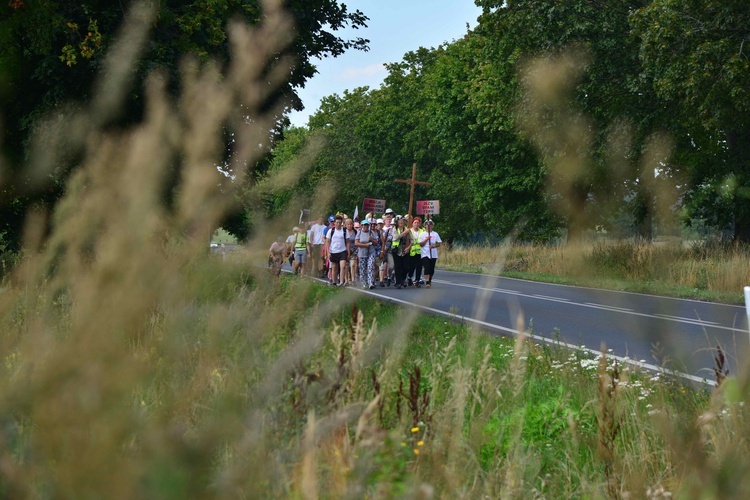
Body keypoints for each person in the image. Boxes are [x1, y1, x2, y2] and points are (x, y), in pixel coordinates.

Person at [324, 215, 349, 286]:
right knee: (334, 267)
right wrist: (328, 252)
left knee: (343, 266)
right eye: (337, 222)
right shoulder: (331, 231)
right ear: (334, 223)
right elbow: (327, 242)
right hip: (333, 251)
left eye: (340, 222)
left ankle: (341, 282)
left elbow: (347, 242)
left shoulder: (344, 231)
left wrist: (348, 253)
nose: (338, 224)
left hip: (342, 251)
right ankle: (334, 282)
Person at [354, 219, 377, 289]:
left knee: (370, 267)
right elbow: (356, 243)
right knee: (362, 268)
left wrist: (372, 240)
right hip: (362, 253)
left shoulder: (371, 233)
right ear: (362, 226)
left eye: (366, 225)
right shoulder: (359, 232)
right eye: (364, 225)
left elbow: (376, 243)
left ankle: (370, 282)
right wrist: (364, 245)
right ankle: (364, 283)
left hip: (371, 252)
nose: (365, 227)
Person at [419, 219, 442, 288]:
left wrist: (433, 246)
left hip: (433, 254)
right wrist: (426, 239)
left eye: (430, 225)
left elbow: (439, 243)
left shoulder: (435, 234)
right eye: (427, 225)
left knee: (431, 269)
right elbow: (421, 244)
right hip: (425, 253)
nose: (428, 226)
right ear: (425, 225)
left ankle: (430, 279)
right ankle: (427, 282)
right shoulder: (422, 234)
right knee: (427, 267)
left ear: (432, 225)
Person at [391, 215, 411, 289]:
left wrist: (408, 247)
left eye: (402, 221)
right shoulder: (394, 229)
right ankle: (398, 282)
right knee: (398, 267)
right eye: (399, 221)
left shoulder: (407, 229)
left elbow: (412, 240)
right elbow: (395, 238)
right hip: (397, 250)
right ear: (397, 222)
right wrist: (404, 233)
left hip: (405, 250)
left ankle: (403, 279)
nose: (401, 222)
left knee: (406, 267)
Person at [408, 217, 425, 287]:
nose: (416, 224)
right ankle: (409, 277)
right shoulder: (409, 231)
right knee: (411, 267)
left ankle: (417, 280)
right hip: (411, 251)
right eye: (415, 222)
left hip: (420, 251)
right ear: (412, 223)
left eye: (418, 223)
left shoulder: (422, 231)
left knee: (419, 267)